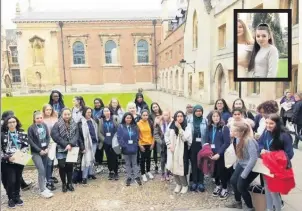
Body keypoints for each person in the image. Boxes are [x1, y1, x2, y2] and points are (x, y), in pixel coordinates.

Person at [258, 114, 294, 211]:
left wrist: (273, 155)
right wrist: (261, 149)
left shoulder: (285, 136)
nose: (268, 125)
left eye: (271, 123)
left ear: (277, 124)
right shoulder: (266, 131)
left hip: (277, 167)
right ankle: (269, 208)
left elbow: (289, 154)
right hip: (266, 165)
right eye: (267, 123)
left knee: (274, 191)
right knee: (267, 188)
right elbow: (260, 143)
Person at [226, 121, 259, 210]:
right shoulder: (237, 138)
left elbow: (253, 159)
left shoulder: (249, 141)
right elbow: (240, 156)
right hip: (242, 164)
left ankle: (250, 207)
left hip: (251, 167)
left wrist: (244, 174)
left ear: (241, 132)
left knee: (241, 186)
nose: (231, 132)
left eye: (233, 131)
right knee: (233, 181)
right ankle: (238, 202)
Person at [1, 116, 29, 208]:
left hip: (19, 160)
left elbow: (26, 146)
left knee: (18, 179)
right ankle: (10, 198)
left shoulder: (22, 133)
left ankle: (17, 197)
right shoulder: (2, 135)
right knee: (11, 180)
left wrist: (21, 153)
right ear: (6, 124)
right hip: (7, 162)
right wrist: (7, 157)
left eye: (14, 122)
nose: (12, 124)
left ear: (16, 122)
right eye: (10, 122)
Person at [51, 108, 80, 192]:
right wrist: (66, 144)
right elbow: (55, 136)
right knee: (62, 166)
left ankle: (69, 183)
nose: (67, 116)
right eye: (65, 114)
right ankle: (64, 183)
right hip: (61, 148)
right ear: (62, 115)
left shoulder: (74, 123)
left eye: (68, 114)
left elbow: (76, 135)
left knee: (70, 166)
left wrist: (70, 144)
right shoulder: (57, 124)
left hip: (71, 148)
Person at [27, 111, 53, 198]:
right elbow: (31, 141)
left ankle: (43, 186)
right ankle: (42, 190)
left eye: (41, 118)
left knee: (44, 168)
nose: (39, 120)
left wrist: (46, 148)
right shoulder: (31, 128)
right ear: (34, 119)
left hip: (44, 151)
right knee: (41, 169)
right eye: (37, 118)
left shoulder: (44, 125)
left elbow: (48, 137)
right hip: (36, 152)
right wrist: (39, 150)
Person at [166, 111, 192, 194]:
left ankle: (184, 185)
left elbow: (185, 138)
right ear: (175, 117)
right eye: (178, 116)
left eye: (181, 116)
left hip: (182, 150)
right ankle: (178, 184)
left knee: (181, 168)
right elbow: (166, 136)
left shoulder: (187, 126)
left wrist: (180, 128)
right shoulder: (171, 125)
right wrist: (169, 145)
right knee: (173, 167)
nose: (179, 118)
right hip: (172, 150)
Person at [207, 110, 231, 199]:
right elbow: (208, 140)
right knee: (214, 171)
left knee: (222, 171)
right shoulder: (209, 127)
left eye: (217, 116)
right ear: (211, 118)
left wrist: (219, 153)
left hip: (221, 154)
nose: (216, 118)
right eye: (214, 116)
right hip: (211, 153)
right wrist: (208, 151)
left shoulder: (224, 128)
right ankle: (217, 185)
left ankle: (224, 188)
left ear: (220, 117)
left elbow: (226, 143)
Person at [117, 112, 142, 186]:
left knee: (134, 163)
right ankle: (129, 177)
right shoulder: (121, 126)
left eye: (130, 118)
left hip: (134, 147)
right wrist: (124, 146)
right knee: (127, 163)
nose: (129, 119)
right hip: (125, 148)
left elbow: (137, 136)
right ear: (124, 118)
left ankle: (136, 176)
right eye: (127, 118)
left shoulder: (135, 126)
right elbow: (119, 137)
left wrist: (135, 144)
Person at [98, 107, 120, 180]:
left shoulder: (114, 119)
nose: (106, 112)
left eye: (107, 111)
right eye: (105, 111)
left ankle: (116, 172)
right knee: (109, 157)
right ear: (103, 113)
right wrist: (104, 140)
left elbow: (118, 129)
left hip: (114, 142)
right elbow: (99, 132)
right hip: (106, 142)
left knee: (115, 157)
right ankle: (111, 171)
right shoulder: (101, 121)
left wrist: (115, 139)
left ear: (110, 112)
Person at [189, 105, 207, 192]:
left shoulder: (205, 121)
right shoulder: (190, 120)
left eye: (200, 111)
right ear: (194, 112)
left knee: (201, 163)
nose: (198, 112)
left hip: (202, 145)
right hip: (192, 145)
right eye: (197, 111)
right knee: (194, 163)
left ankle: (201, 182)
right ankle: (195, 182)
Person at [78, 107, 98, 184]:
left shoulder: (93, 121)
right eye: (87, 112)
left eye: (90, 112)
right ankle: (84, 177)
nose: (89, 114)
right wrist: (82, 147)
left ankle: (91, 173)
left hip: (94, 143)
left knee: (92, 159)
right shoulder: (81, 123)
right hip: (86, 144)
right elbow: (79, 137)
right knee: (86, 160)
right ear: (84, 113)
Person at [42, 104, 59, 190]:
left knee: (52, 161)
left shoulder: (55, 118)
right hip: (46, 142)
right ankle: (48, 181)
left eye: (50, 109)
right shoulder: (42, 120)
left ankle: (50, 176)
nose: (48, 111)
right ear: (44, 111)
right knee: (48, 161)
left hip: (54, 142)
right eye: (47, 110)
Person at [154, 110, 173, 181]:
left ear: (169, 115)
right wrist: (160, 141)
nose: (165, 116)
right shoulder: (158, 123)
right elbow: (155, 134)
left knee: (169, 159)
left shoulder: (172, 123)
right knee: (162, 159)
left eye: (167, 115)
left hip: (169, 144)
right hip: (161, 144)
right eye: (164, 115)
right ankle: (162, 173)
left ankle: (167, 173)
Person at [137, 109, 155, 182]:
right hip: (142, 144)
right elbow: (137, 136)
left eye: (146, 115)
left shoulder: (150, 123)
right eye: (143, 115)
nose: (145, 116)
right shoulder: (138, 124)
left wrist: (153, 143)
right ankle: (143, 173)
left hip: (150, 144)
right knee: (142, 159)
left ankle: (148, 171)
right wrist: (140, 145)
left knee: (148, 159)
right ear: (141, 116)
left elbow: (153, 134)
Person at [150, 102, 163, 174]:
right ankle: (156, 165)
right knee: (155, 151)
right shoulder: (151, 115)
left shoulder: (163, 113)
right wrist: (156, 122)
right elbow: (152, 126)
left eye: (156, 106)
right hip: (155, 135)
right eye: (153, 107)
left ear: (158, 106)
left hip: (163, 134)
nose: (155, 108)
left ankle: (164, 164)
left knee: (163, 150)